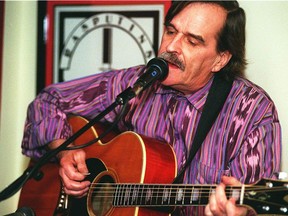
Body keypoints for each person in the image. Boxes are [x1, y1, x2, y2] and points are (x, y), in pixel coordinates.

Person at [21, 1, 282, 215]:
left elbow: (250, 206)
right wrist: (64, 151)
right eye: (170, 31)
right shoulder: (137, 84)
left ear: (220, 59)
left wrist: (240, 213)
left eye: (192, 41)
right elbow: (49, 100)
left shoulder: (252, 113)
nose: (171, 47)